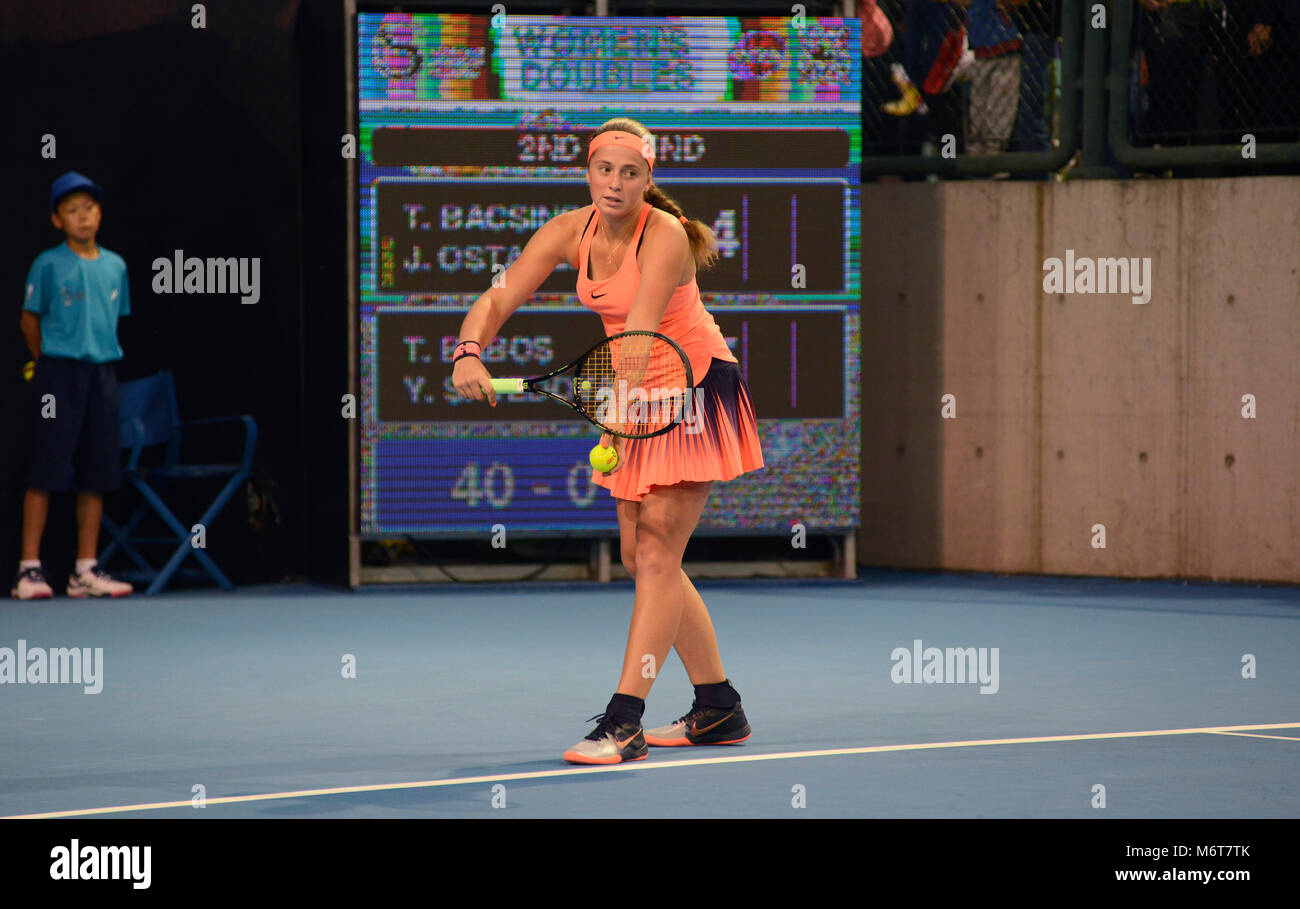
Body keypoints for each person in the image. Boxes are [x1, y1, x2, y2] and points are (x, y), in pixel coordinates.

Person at [451, 118, 765, 764]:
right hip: (636, 390)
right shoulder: (571, 231)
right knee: (643, 554)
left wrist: (617, 418)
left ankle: (624, 721)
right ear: (588, 172)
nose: (615, 183)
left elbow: (641, 336)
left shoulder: (667, 234)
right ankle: (718, 705)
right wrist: (468, 350)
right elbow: (499, 295)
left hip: (694, 387)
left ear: (649, 179)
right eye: (604, 170)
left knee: (654, 554)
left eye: (630, 172)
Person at [12, 172, 134, 600]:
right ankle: (29, 569)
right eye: (72, 210)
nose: (83, 216)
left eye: (89, 208)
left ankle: (85, 570)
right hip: (57, 375)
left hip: (102, 375)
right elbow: (29, 319)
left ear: (99, 214)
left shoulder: (117, 265)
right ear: (57, 220)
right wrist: (45, 362)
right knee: (46, 467)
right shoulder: (47, 264)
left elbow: (113, 320)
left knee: (97, 473)